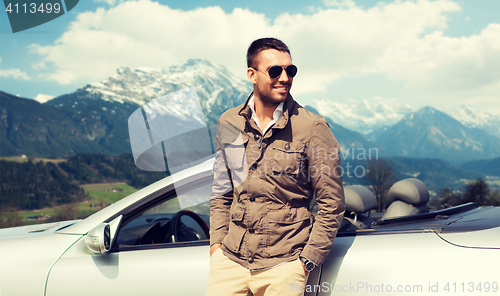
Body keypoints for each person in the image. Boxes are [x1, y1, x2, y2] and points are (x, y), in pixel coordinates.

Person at [206, 37, 345, 296]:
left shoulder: (313, 127)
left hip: (284, 265)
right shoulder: (229, 122)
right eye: (275, 70)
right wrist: (216, 246)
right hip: (230, 262)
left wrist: (305, 262)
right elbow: (222, 191)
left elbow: (332, 203)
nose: (285, 77)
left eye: (290, 70)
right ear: (252, 74)